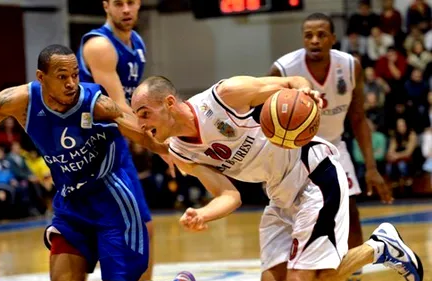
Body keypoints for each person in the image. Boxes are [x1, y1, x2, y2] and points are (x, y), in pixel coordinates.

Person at [131, 75, 423, 281]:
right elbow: (230, 196)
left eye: (144, 114)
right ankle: (382, 247)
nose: (141, 125)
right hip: (279, 194)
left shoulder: (225, 96)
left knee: (303, 278)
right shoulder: (181, 152)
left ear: (169, 103)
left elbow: (292, 83)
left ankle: (380, 248)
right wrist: (202, 214)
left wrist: (307, 94)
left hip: (313, 174)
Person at [0, 44, 189, 281]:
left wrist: (172, 150)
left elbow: (140, 134)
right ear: (41, 76)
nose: (71, 83)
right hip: (71, 204)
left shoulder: (96, 104)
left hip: (111, 202)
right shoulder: (19, 101)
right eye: (62, 76)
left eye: (75, 75)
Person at [268, 12, 393, 280]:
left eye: (321, 35)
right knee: (294, 218)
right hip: (294, 151)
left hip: (334, 147)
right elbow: (264, 116)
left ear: (333, 39)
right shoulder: (284, 68)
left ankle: (353, 270)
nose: (314, 40)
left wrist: (371, 167)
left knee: (350, 213)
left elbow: (358, 118)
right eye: (308, 35)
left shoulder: (350, 66)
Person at [76, 1, 155, 279]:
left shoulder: (138, 42)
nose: (126, 9)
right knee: (86, 237)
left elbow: (132, 108)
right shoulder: (100, 45)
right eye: (118, 3)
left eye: (131, 2)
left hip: (114, 144)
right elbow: (119, 108)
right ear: (106, 5)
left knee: (143, 228)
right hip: (87, 148)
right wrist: (161, 143)